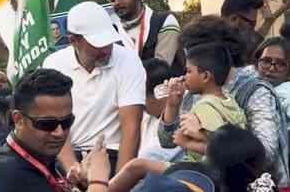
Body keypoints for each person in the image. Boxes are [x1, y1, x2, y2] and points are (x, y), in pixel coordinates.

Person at [158, 15, 289, 187]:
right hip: (204, 180)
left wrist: (206, 136)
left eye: (194, 57)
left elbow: (265, 153)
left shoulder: (255, 91)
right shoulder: (196, 90)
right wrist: (172, 106)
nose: (188, 65)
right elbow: (167, 142)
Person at [106, 43, 246, 192]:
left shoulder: (206, 107)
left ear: (205, 76)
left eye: (188, 71)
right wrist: (172, 105)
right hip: (202, 170)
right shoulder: (228, 101)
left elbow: (219, 149)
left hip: (201, 172)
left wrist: (190, 141)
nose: (184, 76)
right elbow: (166, 141)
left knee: (136, 166)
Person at [43, 1, 146, 179]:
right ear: (73, 40)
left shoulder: (128, 61)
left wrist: (118, 183)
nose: (106, 50)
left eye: (109, 42)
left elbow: (131, 126)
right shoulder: (53, 64)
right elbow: (55, 124)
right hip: (65, 153)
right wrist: (73, 170)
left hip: (112, 153)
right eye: (98, 45)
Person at [0, 68, 76, 192]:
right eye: (47, 124)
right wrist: (98, 181)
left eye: (67, 122)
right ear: (18, 119)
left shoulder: (43, 157)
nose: (60, 133)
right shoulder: (6, 173)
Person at [103, 0, 183, 74]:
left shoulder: (165, 21)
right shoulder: (114, 31)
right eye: (112, 0)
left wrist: (123, 71)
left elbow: (162, 67)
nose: (117, 3)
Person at [138, 58, 182, 162]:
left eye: (143, 96)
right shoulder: (145, 116)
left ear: (161, 92)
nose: (139, 101)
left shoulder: (182, 120)